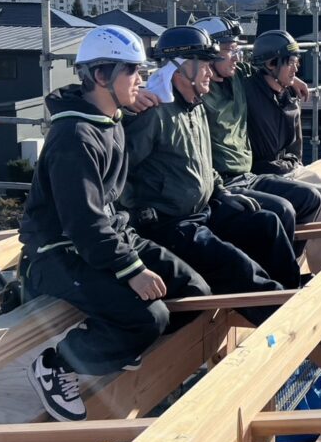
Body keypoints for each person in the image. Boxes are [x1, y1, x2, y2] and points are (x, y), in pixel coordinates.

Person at [19, 25, 211, 422]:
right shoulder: (74, 137)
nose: (141, 79)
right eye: (132, 71)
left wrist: (130, 258)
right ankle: (57, 364)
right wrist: (132, 270)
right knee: (148, 318)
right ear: (101, 75)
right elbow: (83, 223)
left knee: (194, 291)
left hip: (105, 237)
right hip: (59, 252)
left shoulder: (109, 121)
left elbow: (102, 216)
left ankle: (117, 345)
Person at [119, 26, 303, 313]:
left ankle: (294, 295)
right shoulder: (153, 114)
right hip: (170, 223)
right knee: (237, 266)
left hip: (204, 208)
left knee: (267, 224)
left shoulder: (195, 107)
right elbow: (117, 173)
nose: (209, 72)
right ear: (180, 69)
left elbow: (203, 163)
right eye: (204, 64)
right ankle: (287, 316)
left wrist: (221, 191)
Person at [192, 17, 321, 256]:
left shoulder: (238, 76)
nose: (236, 57)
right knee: (282, 211)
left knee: (311, 198)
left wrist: (293, 79)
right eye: (229, 50)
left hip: (247, 175)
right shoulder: (197, 91)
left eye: (237, 49)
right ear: (209, 53)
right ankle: (282, 272)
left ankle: (289, 263)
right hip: (222, 180)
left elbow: (267, 69)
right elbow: (167, 86)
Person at [245, 29, 321, 272]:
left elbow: (295, 142)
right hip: (264, 171)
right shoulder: (247, 92)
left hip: (288, 166)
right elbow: (230, 68)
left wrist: (291, 80)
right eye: (290, 62)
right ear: (271, 64)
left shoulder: (288, 94)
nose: (296, 68)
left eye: (296, 61)